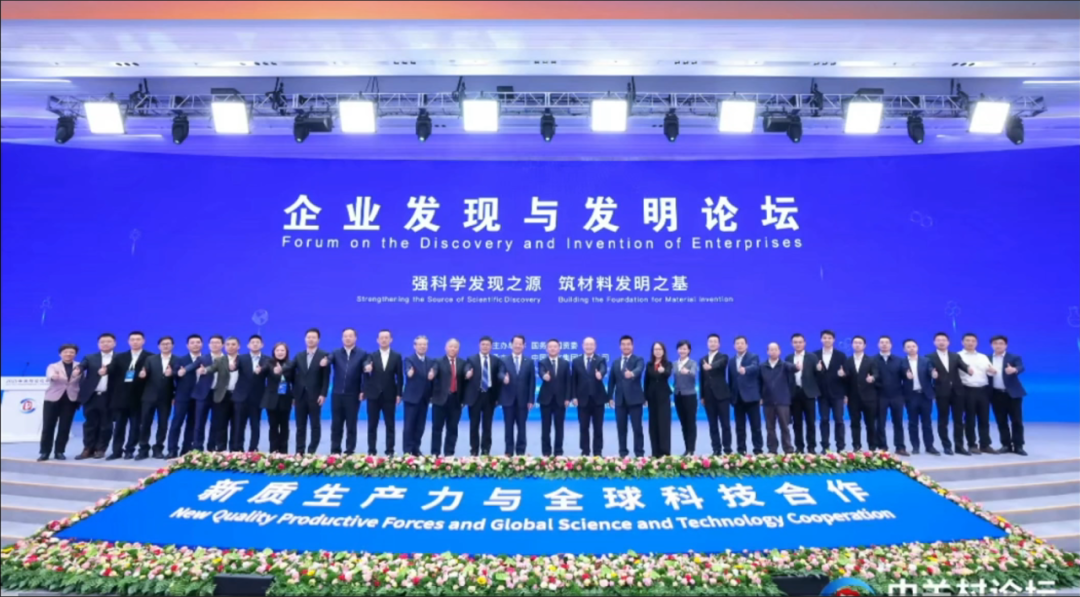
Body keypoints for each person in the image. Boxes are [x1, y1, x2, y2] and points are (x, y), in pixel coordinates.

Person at [107, 331, 152, 460]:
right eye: (132, 339)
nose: (135, 342)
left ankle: (129, 450)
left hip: (139, 397)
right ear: (128, 341)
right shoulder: (120, 357)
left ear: (143, 341)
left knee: (135, 426)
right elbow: (111, 370)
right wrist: (105, 369)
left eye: (138, 339)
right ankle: (116, 451)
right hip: (121, 396)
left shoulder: (150, 357)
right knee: (119, 426)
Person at [75, 333, 116, 460]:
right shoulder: (90, 357)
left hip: (109, 396)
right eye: (102, 342)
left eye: (108, 341)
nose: (105, 344)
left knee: (106, 424)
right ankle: (88, 448)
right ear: (98, 344)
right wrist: (78, 369)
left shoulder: (119, 358)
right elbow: (82, 365)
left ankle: (101, 448)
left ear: (114, 343)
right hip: (91, 396)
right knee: (90, 424)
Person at [363, 329, 404, 456]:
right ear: (377, 340)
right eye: (381, 338)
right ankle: (371, 451)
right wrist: (367, 368)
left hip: (389, 395)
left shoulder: (396, 356)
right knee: (372, 425)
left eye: (386, 337)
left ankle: (390, 451)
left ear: (391, 340)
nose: (384, 340)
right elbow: (365, 367)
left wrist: (399, 394)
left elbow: (400, 376)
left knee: (390, 425)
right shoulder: (371, 355)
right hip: (373, 396)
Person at [179, 335, 223, 452]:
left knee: (216, 422)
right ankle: (197, 447)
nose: (214, 345)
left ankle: (211, 447)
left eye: (217, 342)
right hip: (203, 394)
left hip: (219, 394)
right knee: (199, 422)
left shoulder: (227, 359)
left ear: (222, 345)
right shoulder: (203, 358)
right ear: (208, 345)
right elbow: (192, 365)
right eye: (212, 343)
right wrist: (184, 370)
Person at [928, 332, 970, 455]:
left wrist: (969, 369)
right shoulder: (929, 357)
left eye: (944, 340)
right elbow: (929, 369)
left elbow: (963, 366)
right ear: (934, 342)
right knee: (943, 420)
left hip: (957, 392)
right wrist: (932, 373)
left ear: (948, 342)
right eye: (938, 340)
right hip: (941, 392)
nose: (941, 342)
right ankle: (946, 446)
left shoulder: (955, 356)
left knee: (959, 420)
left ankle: (959, 446)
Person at [136, 336, 177, 460]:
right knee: (145, 423)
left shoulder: (177, 360)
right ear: (159, 346)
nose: (165, 346)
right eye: (163, 344)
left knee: (163, 424)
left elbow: (180, 379)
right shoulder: (150, 359)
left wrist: (173, 374)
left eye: (168, 344)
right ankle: (143, 449)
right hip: (149, 396)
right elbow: (144, 372)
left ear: (173, 345)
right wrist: (142, 374)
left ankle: (158, 448)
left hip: (166, 397)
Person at [196, 336, 240, 452]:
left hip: (238, 396)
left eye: (233, 344)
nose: (230, 347)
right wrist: (204, 370)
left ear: (238, 346)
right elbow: (212, 368)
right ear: (225, 346)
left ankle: (235, 450)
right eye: (228, 344)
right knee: (220, 424)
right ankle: (221, 449)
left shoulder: (244, 359)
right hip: (223, 395)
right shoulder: (220, 360)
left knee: (237, 424)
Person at [327, 328, 367, 455]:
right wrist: (325, 361)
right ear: (342, 338)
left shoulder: (362, 354)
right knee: (336, 424)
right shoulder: (336, 353)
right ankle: (335, 450)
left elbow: (365, 374)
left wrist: (363, 390)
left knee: (351, 424)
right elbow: (329, 359)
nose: (347, 338)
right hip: (337, 394)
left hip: (353, 395)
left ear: (355, 338)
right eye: (345, 336)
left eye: (350, 336)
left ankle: (349, 450)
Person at [463, 336, 504, 456]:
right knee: (474, 425)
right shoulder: (471, 359)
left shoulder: (496, 360)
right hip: (475, 396)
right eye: (483, 344)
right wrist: (467, 373)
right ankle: (474, 450)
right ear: (479, 345)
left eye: (487, 345)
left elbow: (499, 376)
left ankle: (486, 450)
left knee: (487, 425)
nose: (485, 347)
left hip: (489, 396)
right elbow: (467, 368)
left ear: (491, 347)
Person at [292, 328, 330, 455]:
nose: (311, 339)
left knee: (315, 425)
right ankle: (299, 451)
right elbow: (291, 373)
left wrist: (323, 394)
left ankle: (312, 451)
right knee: (300, 426)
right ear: (305, 339)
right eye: (308, 337)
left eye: (313, 337)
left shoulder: (324, 355)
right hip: (300, 396)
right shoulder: (299, 356)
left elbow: (326, 378)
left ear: (318, 339)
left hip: (315, 396)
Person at [40, 344, 81, 461]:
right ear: (60, 354)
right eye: (66, 352)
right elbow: (50, 375)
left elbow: (83, 380)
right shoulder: (53, 366)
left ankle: (59, 451)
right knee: (48, 426)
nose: (68, 354)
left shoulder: (79, 367)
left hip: (70, 399)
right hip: (52, 399)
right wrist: (54, 376)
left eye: (71, 352)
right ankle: (45, 452)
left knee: (65, 427)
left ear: (75, 354)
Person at [608, 335, 645, 458]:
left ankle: (639, 454)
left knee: (637, 429)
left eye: (628, 344)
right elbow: (611, 381)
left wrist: (632, 373)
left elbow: (639, 369)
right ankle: (623, 453)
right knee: (621, 429)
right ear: (620, 346)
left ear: (632, 346)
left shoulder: (638, 359)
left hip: (635, 400)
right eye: (623, 344)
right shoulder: (616, 362)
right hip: (620, 401)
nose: (626, 347)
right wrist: (610, 397)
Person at [166, 334, 203, 457]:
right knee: (176, 423)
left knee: (192, 423)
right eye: (192, 342)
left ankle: (186, 449)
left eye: (198, 342)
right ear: (187, 345)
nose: (195, 345)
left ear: (202, 344)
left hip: (199, 397)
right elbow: (174, 374)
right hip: (182, 396)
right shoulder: (181, 360)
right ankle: (172, 449)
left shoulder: (206, 359)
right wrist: (177, 373)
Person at [957, 333, 995, 454]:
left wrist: (992, 371)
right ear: (962, 342)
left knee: (984, 419)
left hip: (983, 390)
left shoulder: (983, 357)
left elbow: (989, 372)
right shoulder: (957, 356)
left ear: (977, 343)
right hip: (967, 390)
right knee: (970, 419)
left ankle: (985, 444)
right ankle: (972, 444)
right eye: (967, 340)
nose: (970, 343)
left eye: (973, 341)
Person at [989, 335, 1027, 456]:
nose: (998, 345)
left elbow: (1021, 367)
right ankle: (1006, 445)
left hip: (1012, 394)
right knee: (1001, 421)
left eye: (1001, 343)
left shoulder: (1014, 357)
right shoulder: (987, 358)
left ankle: (1018, 446)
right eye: (995, 343)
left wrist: (1014, 370)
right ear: (991, 345)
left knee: (1017, 421)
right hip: (996, 394)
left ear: (1006, 345)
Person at [232, 334, 270, 452]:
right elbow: (234, 367)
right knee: (239, 425)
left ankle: (253, 449)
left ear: (262, 345)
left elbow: (268, 370)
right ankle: (238, 449)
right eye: (252, 342)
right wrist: (231, 367)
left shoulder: (267, 359)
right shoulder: (241, 358)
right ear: (248, 345)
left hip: (257, 398)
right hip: (241, 397)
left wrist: (262, 369)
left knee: (255, 425)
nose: (255, 344)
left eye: (257, 342)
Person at [901, 339, 939, 455]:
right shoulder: (902, 362)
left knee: (927, 422)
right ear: (904, 349)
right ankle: (915, 446)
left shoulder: (926, 360)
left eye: (913, 346)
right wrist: (905, 375)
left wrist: (933, 374)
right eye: (908, 347)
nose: (911, 348)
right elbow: (898, 376)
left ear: (917, 347)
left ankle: (929, 446)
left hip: (925, 395)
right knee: (913, 423)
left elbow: (930, 370)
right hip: (911, 396)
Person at [429, 338, 466, 456]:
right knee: (437, 428)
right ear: (446, 348)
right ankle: (435, 454)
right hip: (440, 400)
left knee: (452, 429)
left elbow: (465, 382)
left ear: (458, 349)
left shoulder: (462, 363)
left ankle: (449, 453)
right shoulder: (438, 361)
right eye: (451, 346)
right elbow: (434, 370)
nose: (453, 349)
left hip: (456, 400)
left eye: (455, 347)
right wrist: (432, 373)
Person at [842, 336, 879, 451]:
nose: (857, 345)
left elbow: (876, 374)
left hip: (869, 397)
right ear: (852, 345)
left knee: (870, 423)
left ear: (864, 345)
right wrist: (845, 394)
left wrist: (872, 378)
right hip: (853, 398)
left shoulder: (871, 360)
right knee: (855, 423)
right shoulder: (847, 361)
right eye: (855, 343)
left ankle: (872, 446)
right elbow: (845, 381)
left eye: (860, 343)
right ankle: (856, 446)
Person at [571, 337, 607, 457]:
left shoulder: (600, 360)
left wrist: (600, 374)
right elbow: (573, 380)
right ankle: (585, 452)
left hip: (598, 400)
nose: (589, 347)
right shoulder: (576, 361)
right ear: (583, 346)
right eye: (587, 344)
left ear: (595, 346)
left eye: (591, 344)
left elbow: (603, 369)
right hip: (582, 400)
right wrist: (574, 396)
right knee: (583, 427)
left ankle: (598, 452)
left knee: (598, 428)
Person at [500, 335, 535, 456]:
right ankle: (508, 451)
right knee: (508, 427)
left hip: (523, 400)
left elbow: (532, 382)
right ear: (511, 345)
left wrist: (531, 399)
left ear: (524, 346)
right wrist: (503, 378)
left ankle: (521, 452)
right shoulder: (504, 360)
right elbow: (499, 373)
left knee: (522, 427)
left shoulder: (529, 362)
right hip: (508, 399)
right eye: (516, 343)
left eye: (520, 344)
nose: (518, 346)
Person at [786, 334, 821, 454]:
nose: (798, 344)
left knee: (810, 422)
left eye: (800, 342)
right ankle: (799, 447)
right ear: (792, 344)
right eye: (795, 342)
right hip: (794, 394)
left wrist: (819, 369)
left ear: (804, 343)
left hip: (808, 394)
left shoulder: (812, 357)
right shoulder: (789, 358)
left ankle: (811, 447)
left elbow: (817, 375)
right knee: (797, 423)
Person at [760, 342, 798, 454]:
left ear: (779, 351)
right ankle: (772, 450)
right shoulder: (762, 366)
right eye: (771, 349)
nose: (773, 352)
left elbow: (793, 368)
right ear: (767, 352)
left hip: (783, 401)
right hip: (768, 401)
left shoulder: (785, 365)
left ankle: (788, 450)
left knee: (784, 427)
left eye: (775, 349)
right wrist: (760, 397)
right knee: (770, 428)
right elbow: (759, 383)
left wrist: (797, 367)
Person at [728, 336, 763, 455]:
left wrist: (745, 370)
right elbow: (731, 380)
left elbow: (755, 367)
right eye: (737, 343)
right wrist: (731, 397)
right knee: (740, 427)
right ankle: (741, 450)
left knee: (756, 426)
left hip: (752, 397)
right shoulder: (731, 361)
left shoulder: (753, 357)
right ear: (734, 346)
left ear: (746, 345)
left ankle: (758, 450)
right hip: (737, 399)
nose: (740, 345)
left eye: (742, 343)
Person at [875, 336, 909, 456]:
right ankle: (882, 447)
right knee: (880, 423)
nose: (884, 344)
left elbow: (905, 377)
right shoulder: (872, 360)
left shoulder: (900, 360)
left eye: (887, 342)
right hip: (880, 396)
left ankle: (900, 447)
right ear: (878, 345)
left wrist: (908, 375)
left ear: (891, 345)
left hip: (897, 396)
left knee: (898, 422)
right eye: (882, 342)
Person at [814, 330, 847, 452]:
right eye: (824, 338)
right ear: (821, 339)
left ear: (834, 340)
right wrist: (817, 370)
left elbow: (847, 375)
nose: (827, 340)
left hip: (837, 394)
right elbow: (812, 375)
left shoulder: (841, 355)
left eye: (829, 338)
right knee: (824, 420)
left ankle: (840, 447)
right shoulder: (815, 355)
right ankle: (825, 447)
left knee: (839, 420)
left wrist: (843, 375)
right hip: (822, 394)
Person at [402, 335, 434, 457]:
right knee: (409, 426)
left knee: (420, 426)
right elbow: (408, 371)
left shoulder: (430, 361)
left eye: (424, 344)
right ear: (414, 346)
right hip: (412, 398)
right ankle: (407, 450)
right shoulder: (409, 359)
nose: (422, 346)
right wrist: (409, 373)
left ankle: (416, 449)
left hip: (424, 399)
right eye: (420, 344)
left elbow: (432, 378)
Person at [536, 339, 569, 457]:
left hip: (560, 400)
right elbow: (541, 372)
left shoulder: (565, 363)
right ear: (547, 349)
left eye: (555, 346)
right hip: (546, 400)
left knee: (559, 428)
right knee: (546, 428)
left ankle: (558, 452)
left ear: (559, 348)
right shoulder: (542, 362)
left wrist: (567, 398)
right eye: (550, 347)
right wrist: (544, 376)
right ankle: (546, 452)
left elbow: (568, 382)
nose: (553, 349)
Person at [699, 334, 730, 456]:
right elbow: (701, 379)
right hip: (708, 396)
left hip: (722, 395)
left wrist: (710, 366)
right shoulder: (703, 359)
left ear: (719, 344)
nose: (712, 343)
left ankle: (727, 449)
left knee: (725, 424)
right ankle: (716, 450)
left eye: (715, 341)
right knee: (712, 425)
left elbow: (720, 364)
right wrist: (702, 396)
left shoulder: (723, 357)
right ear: (707, 344)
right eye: (710, 341)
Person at [263, 342, 294, 454]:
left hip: (285, 399)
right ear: (274, 352)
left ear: (286, 352)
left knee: (284, 426)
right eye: (277, 350)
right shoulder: (268, 363)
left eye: (282, 350)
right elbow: (263, 371)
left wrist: (294, 397)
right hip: (271, 400)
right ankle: (273, 451)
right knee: (273, 426)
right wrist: (274, 371)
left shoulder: (291, 364)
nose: (280, 352)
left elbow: (295, 381)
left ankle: (284, 451)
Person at [644, 341, 673, 457]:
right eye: (655, 349)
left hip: (663, 397)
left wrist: (663, 371)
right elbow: (646, 381)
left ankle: (665, 452)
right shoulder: (649, 364)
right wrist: (645, 397)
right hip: (651, 397)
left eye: (660, 349)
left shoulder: (667, 364)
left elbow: (668, 374)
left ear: (663, 351)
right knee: (653, 424)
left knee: (664, 424)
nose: (657, 351)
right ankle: (655, 452)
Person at [673, 340, 699, 456]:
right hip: (678, 396)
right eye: (680, 348)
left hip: (690, 396)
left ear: (689, 350)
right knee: (683, 423)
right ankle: (686, 448)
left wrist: (687, 371)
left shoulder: (692, 363)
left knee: (691, 423)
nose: (682, 351)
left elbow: (693, 373)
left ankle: (691, 449)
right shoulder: (674, 364)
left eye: (685, 349)